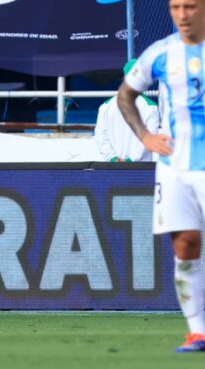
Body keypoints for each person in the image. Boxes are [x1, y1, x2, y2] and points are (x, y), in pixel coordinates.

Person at [117, 0, 205, 352]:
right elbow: (126, 96)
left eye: (191, 7)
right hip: (174, 167)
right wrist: (145, 137)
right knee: (184, 245)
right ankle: (198, 331)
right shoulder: (160, 53)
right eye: (175, 7)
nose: (182, 15)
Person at [94, 59, 160, 162]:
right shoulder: (151, 107)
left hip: (113, 169)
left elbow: (101, 137)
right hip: (142, 170)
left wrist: (113, 159)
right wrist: (130, 161)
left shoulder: (106, 106)